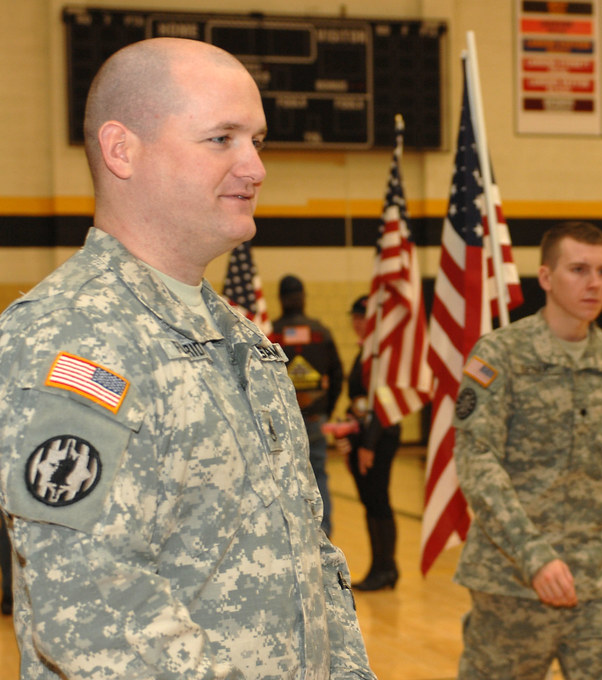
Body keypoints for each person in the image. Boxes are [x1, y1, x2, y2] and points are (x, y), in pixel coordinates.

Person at [0, 38, 375, 679]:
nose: (254, 166)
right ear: (123, 150)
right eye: (221, 138)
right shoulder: (75, 339)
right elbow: (94, 611)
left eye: (256, 140)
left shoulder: (242, 341)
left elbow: (312, 562)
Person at [453, 221, 602, 680]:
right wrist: (534, 556)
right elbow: (477, 462)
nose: (594, 283)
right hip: (513, 583)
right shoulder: (500, 354)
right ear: (545, 277)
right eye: (578, 269)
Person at [270, 274, 345, 538]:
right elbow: (337, 373)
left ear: (280, 299)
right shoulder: (319, 333)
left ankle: (294, 534)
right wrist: (326, 407)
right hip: (315, 417)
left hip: (284, 423)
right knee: (319, 473)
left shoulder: (271, 334)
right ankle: (323, 531)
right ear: (304, 297)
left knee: (286, 477)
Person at [342, 294, 402, 591]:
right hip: (363, 435)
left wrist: (368, 445)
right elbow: (360, 400)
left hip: (380, 437)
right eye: (353, 317)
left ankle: (386, 567)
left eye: (361, 317)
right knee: (371, 502)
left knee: (378, 502)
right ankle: (381, 566)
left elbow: (383, 403)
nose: (356, 323)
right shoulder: (364, 353)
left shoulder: (381, 356)